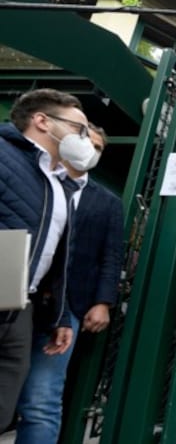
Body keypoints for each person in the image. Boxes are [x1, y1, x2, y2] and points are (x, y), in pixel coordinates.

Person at [14, 125, 123, 443]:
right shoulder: (35, 184)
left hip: (66, 309)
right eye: (88, 143)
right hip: (17, 298)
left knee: (41, 400)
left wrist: (103, 302)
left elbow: (111, 256)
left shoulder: (107, 202)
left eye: (99, 148)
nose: (92, 151)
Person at [1, 89, 94, 432]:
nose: (84, 140)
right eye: (79, 129)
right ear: (42, 121)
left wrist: (60, 317)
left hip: (19, 307)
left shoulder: (58, 183)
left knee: (4, 406)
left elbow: (55, 259)